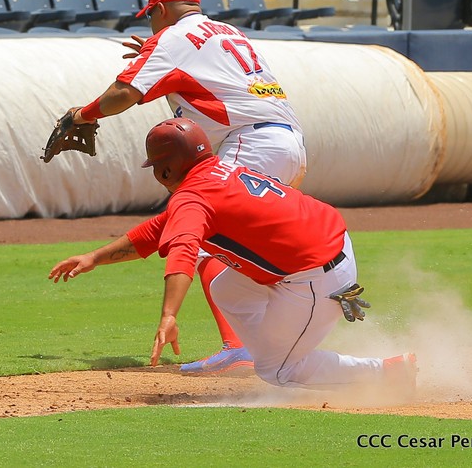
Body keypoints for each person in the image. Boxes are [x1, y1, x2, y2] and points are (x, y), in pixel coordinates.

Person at [49, 118, 417, 395]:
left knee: (277, 371)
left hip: (316, 276)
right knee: (228, 289)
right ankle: (287, 347)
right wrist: (95, 257)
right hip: (328, 246)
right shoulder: (220, 170)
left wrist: (169, 315)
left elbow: (182, 252)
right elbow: (160, 229)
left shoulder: (192, 196)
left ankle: (382, 373)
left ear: (163, 170)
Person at [61, 0, 307, 373]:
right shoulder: (225, 30)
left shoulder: (171, 39)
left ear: (158, 9)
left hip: (251, 143)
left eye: (150, 16)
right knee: (248, 247)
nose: (151, 24)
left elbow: (123, 94)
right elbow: (208, 79)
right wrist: (156, 56)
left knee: (204, 234)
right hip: (290, 143)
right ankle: (283, 338)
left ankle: (241, 346)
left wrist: (80, 115)